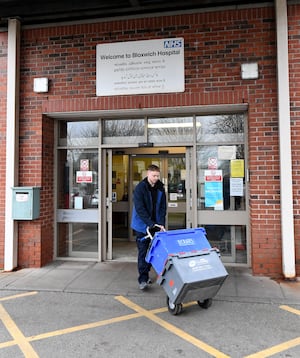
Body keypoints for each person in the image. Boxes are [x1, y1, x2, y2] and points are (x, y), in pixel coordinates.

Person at [131, 164, 167, 290]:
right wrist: (150, 224)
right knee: (143, 251)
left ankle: (147, 273)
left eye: (157, 176)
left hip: (156, 225)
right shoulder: (140, 188)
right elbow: (140, 209)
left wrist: (160, 223)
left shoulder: (160, 188)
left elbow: (163, 207)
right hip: (142, 226)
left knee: (154, 251)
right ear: (148, 174)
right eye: (154, 176)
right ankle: (143, 278)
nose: (156, 178)